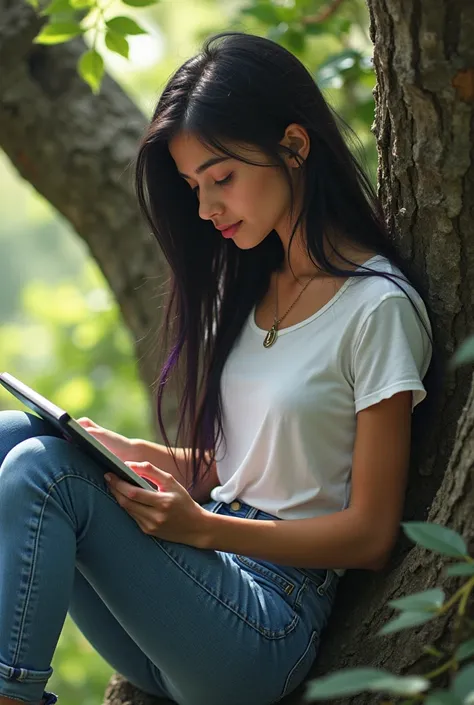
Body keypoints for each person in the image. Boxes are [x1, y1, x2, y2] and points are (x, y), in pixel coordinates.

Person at [0, 30, 443, 705]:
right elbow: (246, 465)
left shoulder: (375, 309)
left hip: (268, 620)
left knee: (41, 473)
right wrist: (129, 453)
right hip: (196, 596)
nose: (206, 209)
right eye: (192, 187)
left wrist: (201, 526)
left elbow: (374, 534)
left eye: (222, 179)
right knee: (13, 436)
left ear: (294, 146)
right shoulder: (249, 288)